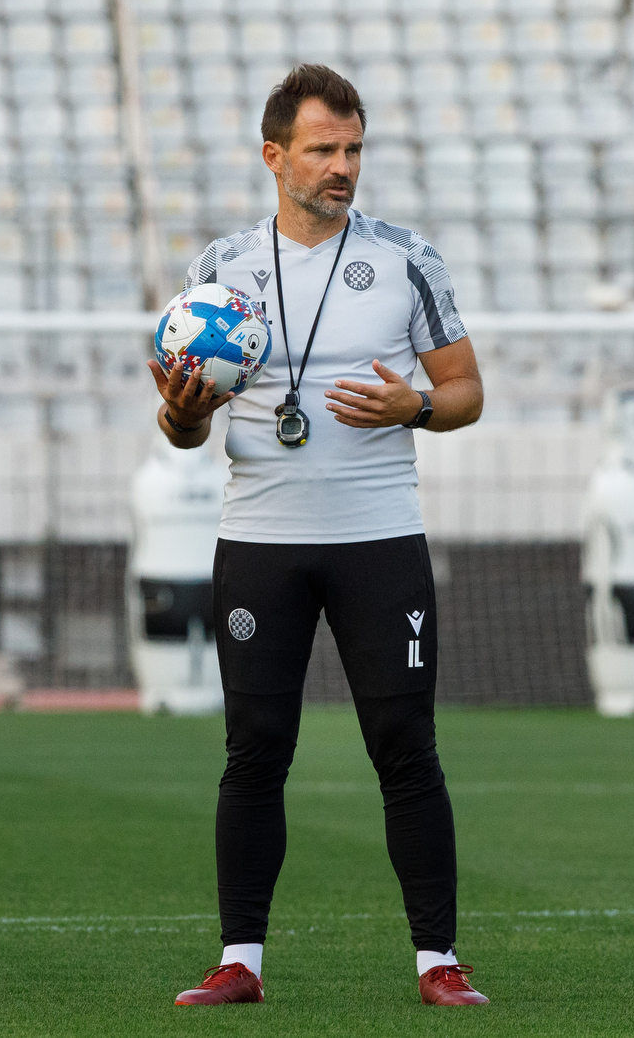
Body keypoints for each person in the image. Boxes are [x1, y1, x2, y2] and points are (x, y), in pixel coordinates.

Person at [146, 64, 488, 1007]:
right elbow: (184, 430)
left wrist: (414, 405)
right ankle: (240, 963)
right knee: (255, 747)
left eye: (354, 149)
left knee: (404, 744)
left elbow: (467, 392)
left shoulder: (408, 258)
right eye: (324, 150)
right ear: (274, 156)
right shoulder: (221, 272)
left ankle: (439, 964)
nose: (343, 167)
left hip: (381, 538)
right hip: (259, 541)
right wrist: (180, 414)